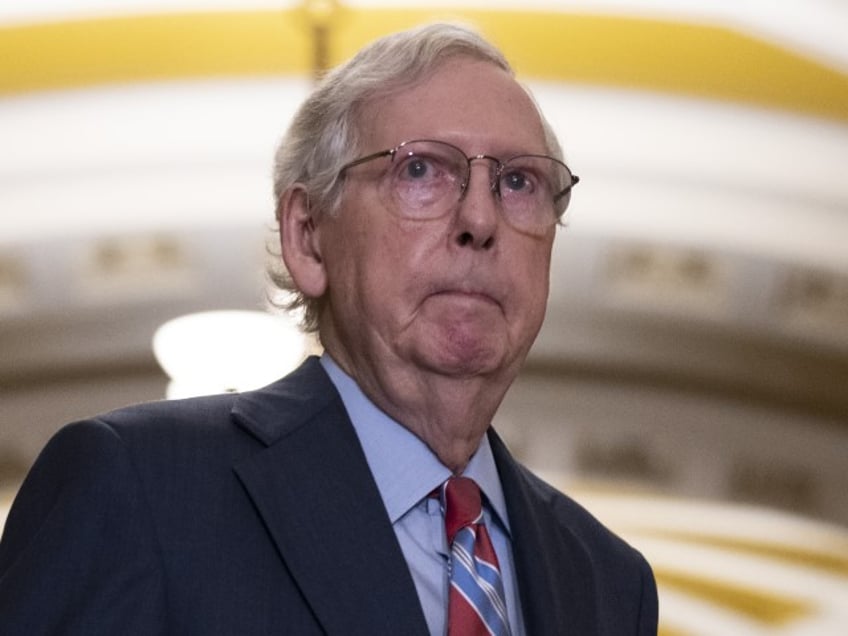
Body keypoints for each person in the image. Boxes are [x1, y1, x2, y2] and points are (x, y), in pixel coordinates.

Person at [0, 23, 657, 635]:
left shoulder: (609, 584)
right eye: (421, 170)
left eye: (518, 181)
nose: (480, 218)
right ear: (308, 238)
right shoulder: (136, 490)